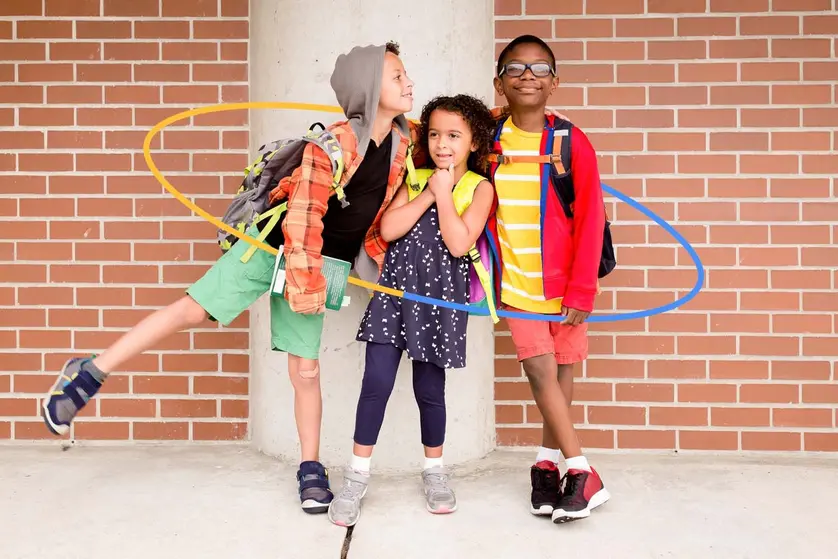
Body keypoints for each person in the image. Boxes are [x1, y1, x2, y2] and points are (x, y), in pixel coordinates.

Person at [42, 42, 418, 515]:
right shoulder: (334, 145)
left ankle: (310, 467)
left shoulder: (406, 142)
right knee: (192, 310)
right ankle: (90, 371)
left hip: (321, 263)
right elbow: (303, 220)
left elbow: (458, 133)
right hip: (274, 248)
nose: (408, 83)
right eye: (397, 75)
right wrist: (306, 284)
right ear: (369, 87)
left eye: (407, 74)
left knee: (306, 369)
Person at [327, 95, 496, 527]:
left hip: (439, 303)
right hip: (395, 295)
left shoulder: (479, 188)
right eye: (436, 134)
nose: (443, 144)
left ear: (473, 142)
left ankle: (434, 472)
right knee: (376, 383)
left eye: (455, 136)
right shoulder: (415, 177)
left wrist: (444, 193)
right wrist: (428, 191)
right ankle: (356, 476)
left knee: (429, 390)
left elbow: (460, 243)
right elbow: (388, 227)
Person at [489, 34, 610, 523]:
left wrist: (583, 290)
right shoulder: (487, 140)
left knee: (560, 375)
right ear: (499, 83)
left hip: (564, 286)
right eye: (515, 67)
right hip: (515, 285)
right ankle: (583, 470)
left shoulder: (570, 141)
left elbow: (591, 219)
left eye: (540, 68)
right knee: (539, 372)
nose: (527, 75)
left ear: (554, 83)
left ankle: (545, 466)